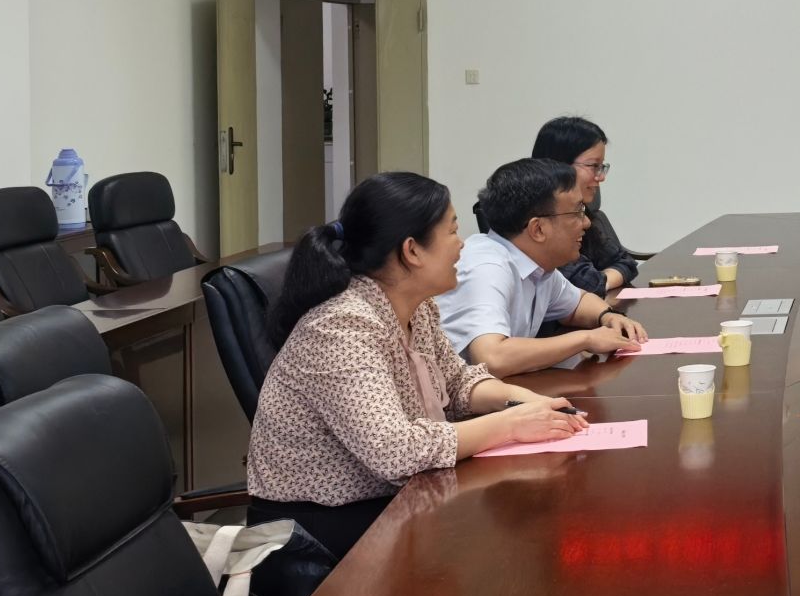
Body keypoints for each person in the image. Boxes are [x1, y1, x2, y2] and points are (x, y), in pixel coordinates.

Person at [246, 171, 592, 566]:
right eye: (452, 232)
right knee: (503, 545)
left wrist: (524, 401)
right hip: (319, 530)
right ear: (412, 251)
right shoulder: (341, 326)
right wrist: (512, 424)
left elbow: (458, 383)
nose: (462, 245)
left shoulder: (418, 307)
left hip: (396, 500)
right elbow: (396, 451)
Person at [439, 157, 649, 376]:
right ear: (538, 229)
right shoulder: (488, 267)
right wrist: (586, 339)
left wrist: (608, 316)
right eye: (578, 212)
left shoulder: (535, 264)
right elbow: (491, 358)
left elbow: (577, 304)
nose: (587, 222)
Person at [531, 115, 638, 294]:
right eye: (593, 166)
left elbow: (626, 262)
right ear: (559, 165)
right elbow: (586, 283)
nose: (601, 177)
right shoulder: (544, 219)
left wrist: (602, 282)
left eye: (602, 167)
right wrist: (602, 281)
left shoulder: (583, 213)